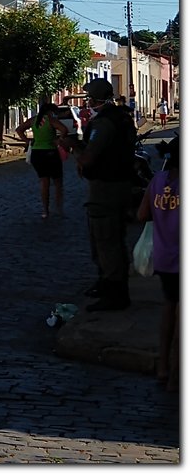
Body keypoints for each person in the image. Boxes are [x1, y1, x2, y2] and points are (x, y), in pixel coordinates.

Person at [66, 78, 137, 312]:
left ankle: (115, 292)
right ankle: (108, 284)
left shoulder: (104, 123)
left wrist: (72, 146)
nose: (87, 102)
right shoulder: (122, 117)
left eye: (89, 98)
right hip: (120, 183)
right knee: (112, 238)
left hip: (107, 187)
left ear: (96, 99)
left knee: (106, 240)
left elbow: (88, 158)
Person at [137, 135, 179, 392]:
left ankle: (163, 366)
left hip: (163, 258)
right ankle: (177, 373)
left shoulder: (157, 180)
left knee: (169, 310)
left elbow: (142, 214)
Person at [15, 103, 69, 219]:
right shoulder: (51, 120)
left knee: (44, 183)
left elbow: (19, 130)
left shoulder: (33, 120)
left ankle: (45, 211)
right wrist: (59, 139)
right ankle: (58, 208)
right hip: (51, 152)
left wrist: (28, 141)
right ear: (50, 111)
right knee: (58, 183)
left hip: (37, 153)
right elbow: (64, 129)